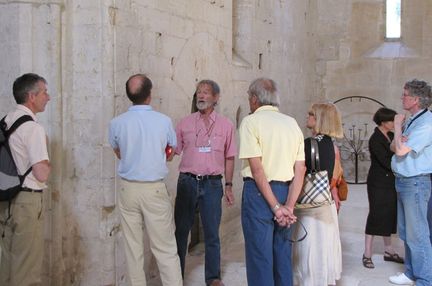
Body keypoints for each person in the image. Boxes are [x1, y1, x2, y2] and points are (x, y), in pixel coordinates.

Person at [108, 74, 182, 286]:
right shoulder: (163, 121)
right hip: (154, 190)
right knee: (166, 249)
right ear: (150, 95)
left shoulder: (116, 123)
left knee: (132, 249)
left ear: (129, 96)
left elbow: (118, 151)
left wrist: (134, 158)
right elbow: (170, 152)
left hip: (128, 190)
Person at [239, 78, 306, 286]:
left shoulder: (250, 122)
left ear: (254, 99)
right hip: (286, 191)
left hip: (259, 194)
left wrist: (276, 208)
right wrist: (289, 207)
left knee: (260, 255)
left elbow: (258, 170)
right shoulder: (292, 123)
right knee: (282, 252)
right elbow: (300, 168)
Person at [174, 79, 236, 286]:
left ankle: (213, 277)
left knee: (211, 233)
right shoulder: (184, 123)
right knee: (181, 231)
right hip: (187, 182)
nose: (201, 95)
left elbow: (229, 157)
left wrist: (228, 185)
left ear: (216, 98)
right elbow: (173, 150)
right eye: (199, 92)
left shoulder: (226, 125)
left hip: (212, 184)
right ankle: (176, 276)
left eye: (206, 92)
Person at [0, 73, 51, 286]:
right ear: (31, 96)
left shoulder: (5, 121)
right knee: (27, 267)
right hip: (27, 202)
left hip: (6, 198)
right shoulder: (33, 128)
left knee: (6, 262)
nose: (48, 97)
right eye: (44, 92)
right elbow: (41, 173)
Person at [292, 102, 343, 286]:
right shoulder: (332, 144)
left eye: (311, 114)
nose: (308, 116)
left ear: (320, 119)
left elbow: (298, 173)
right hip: (325, 204)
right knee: (323, 246)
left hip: (309, 205)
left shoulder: (309, 144)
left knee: (308, 247)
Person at [389, 79, 432, 286]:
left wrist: (397, 126)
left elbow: (399, 149)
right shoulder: (413, 120)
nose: (402, 97)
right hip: (403, 180)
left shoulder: (427, 123)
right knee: (406, 231)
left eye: (405, 94)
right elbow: (393, 146)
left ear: (415, 99)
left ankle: (426, 279)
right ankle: (410, 273)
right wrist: (399, 136)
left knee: (418, 234)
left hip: (415, 182)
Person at [362, 107, 403, 269]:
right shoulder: (375, 139)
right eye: (392, 121)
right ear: (384, 122)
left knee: (389, 214)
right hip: (378, 182)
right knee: (376, 215)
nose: (394, 124)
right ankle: (367, 253)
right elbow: (386, 161)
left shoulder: (392, 135)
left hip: (391, 181)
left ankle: (388, 250)